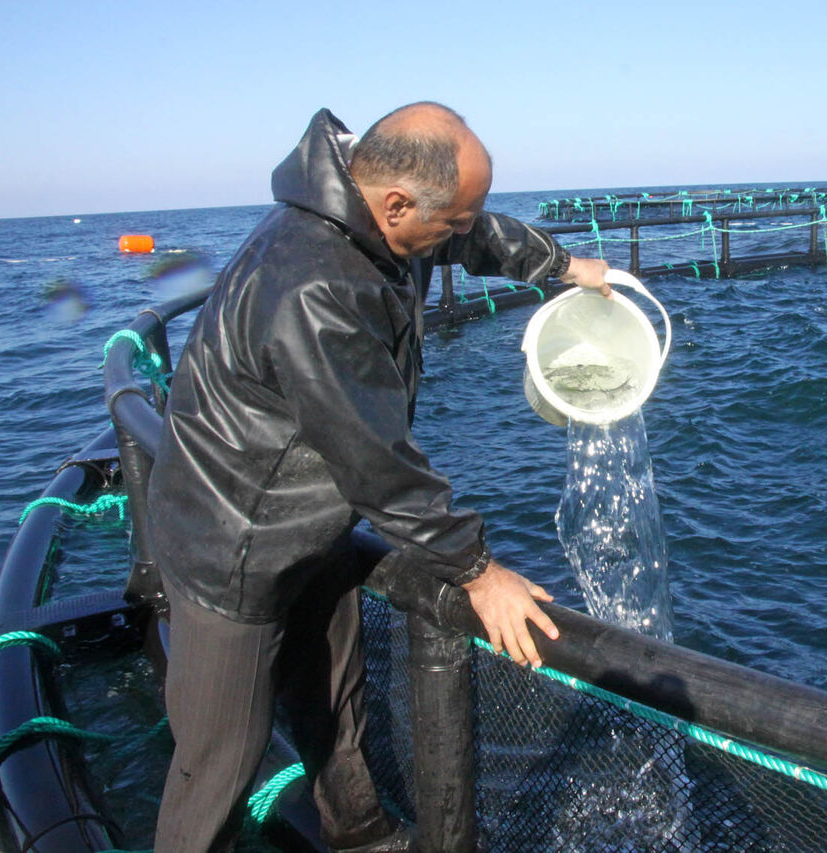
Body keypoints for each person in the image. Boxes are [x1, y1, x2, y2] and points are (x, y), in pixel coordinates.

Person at [145, 102, 609, 852]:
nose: (463, 230)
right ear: (396, 205)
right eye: (454, 220)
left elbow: (475, 233)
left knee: (333, 694)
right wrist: (476, 569)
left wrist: (559, 266)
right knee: (218, 763)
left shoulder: (379, 211)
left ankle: (357, 830)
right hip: (232, 542)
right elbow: (376, 461)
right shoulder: (313, 285)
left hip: (310, 518)